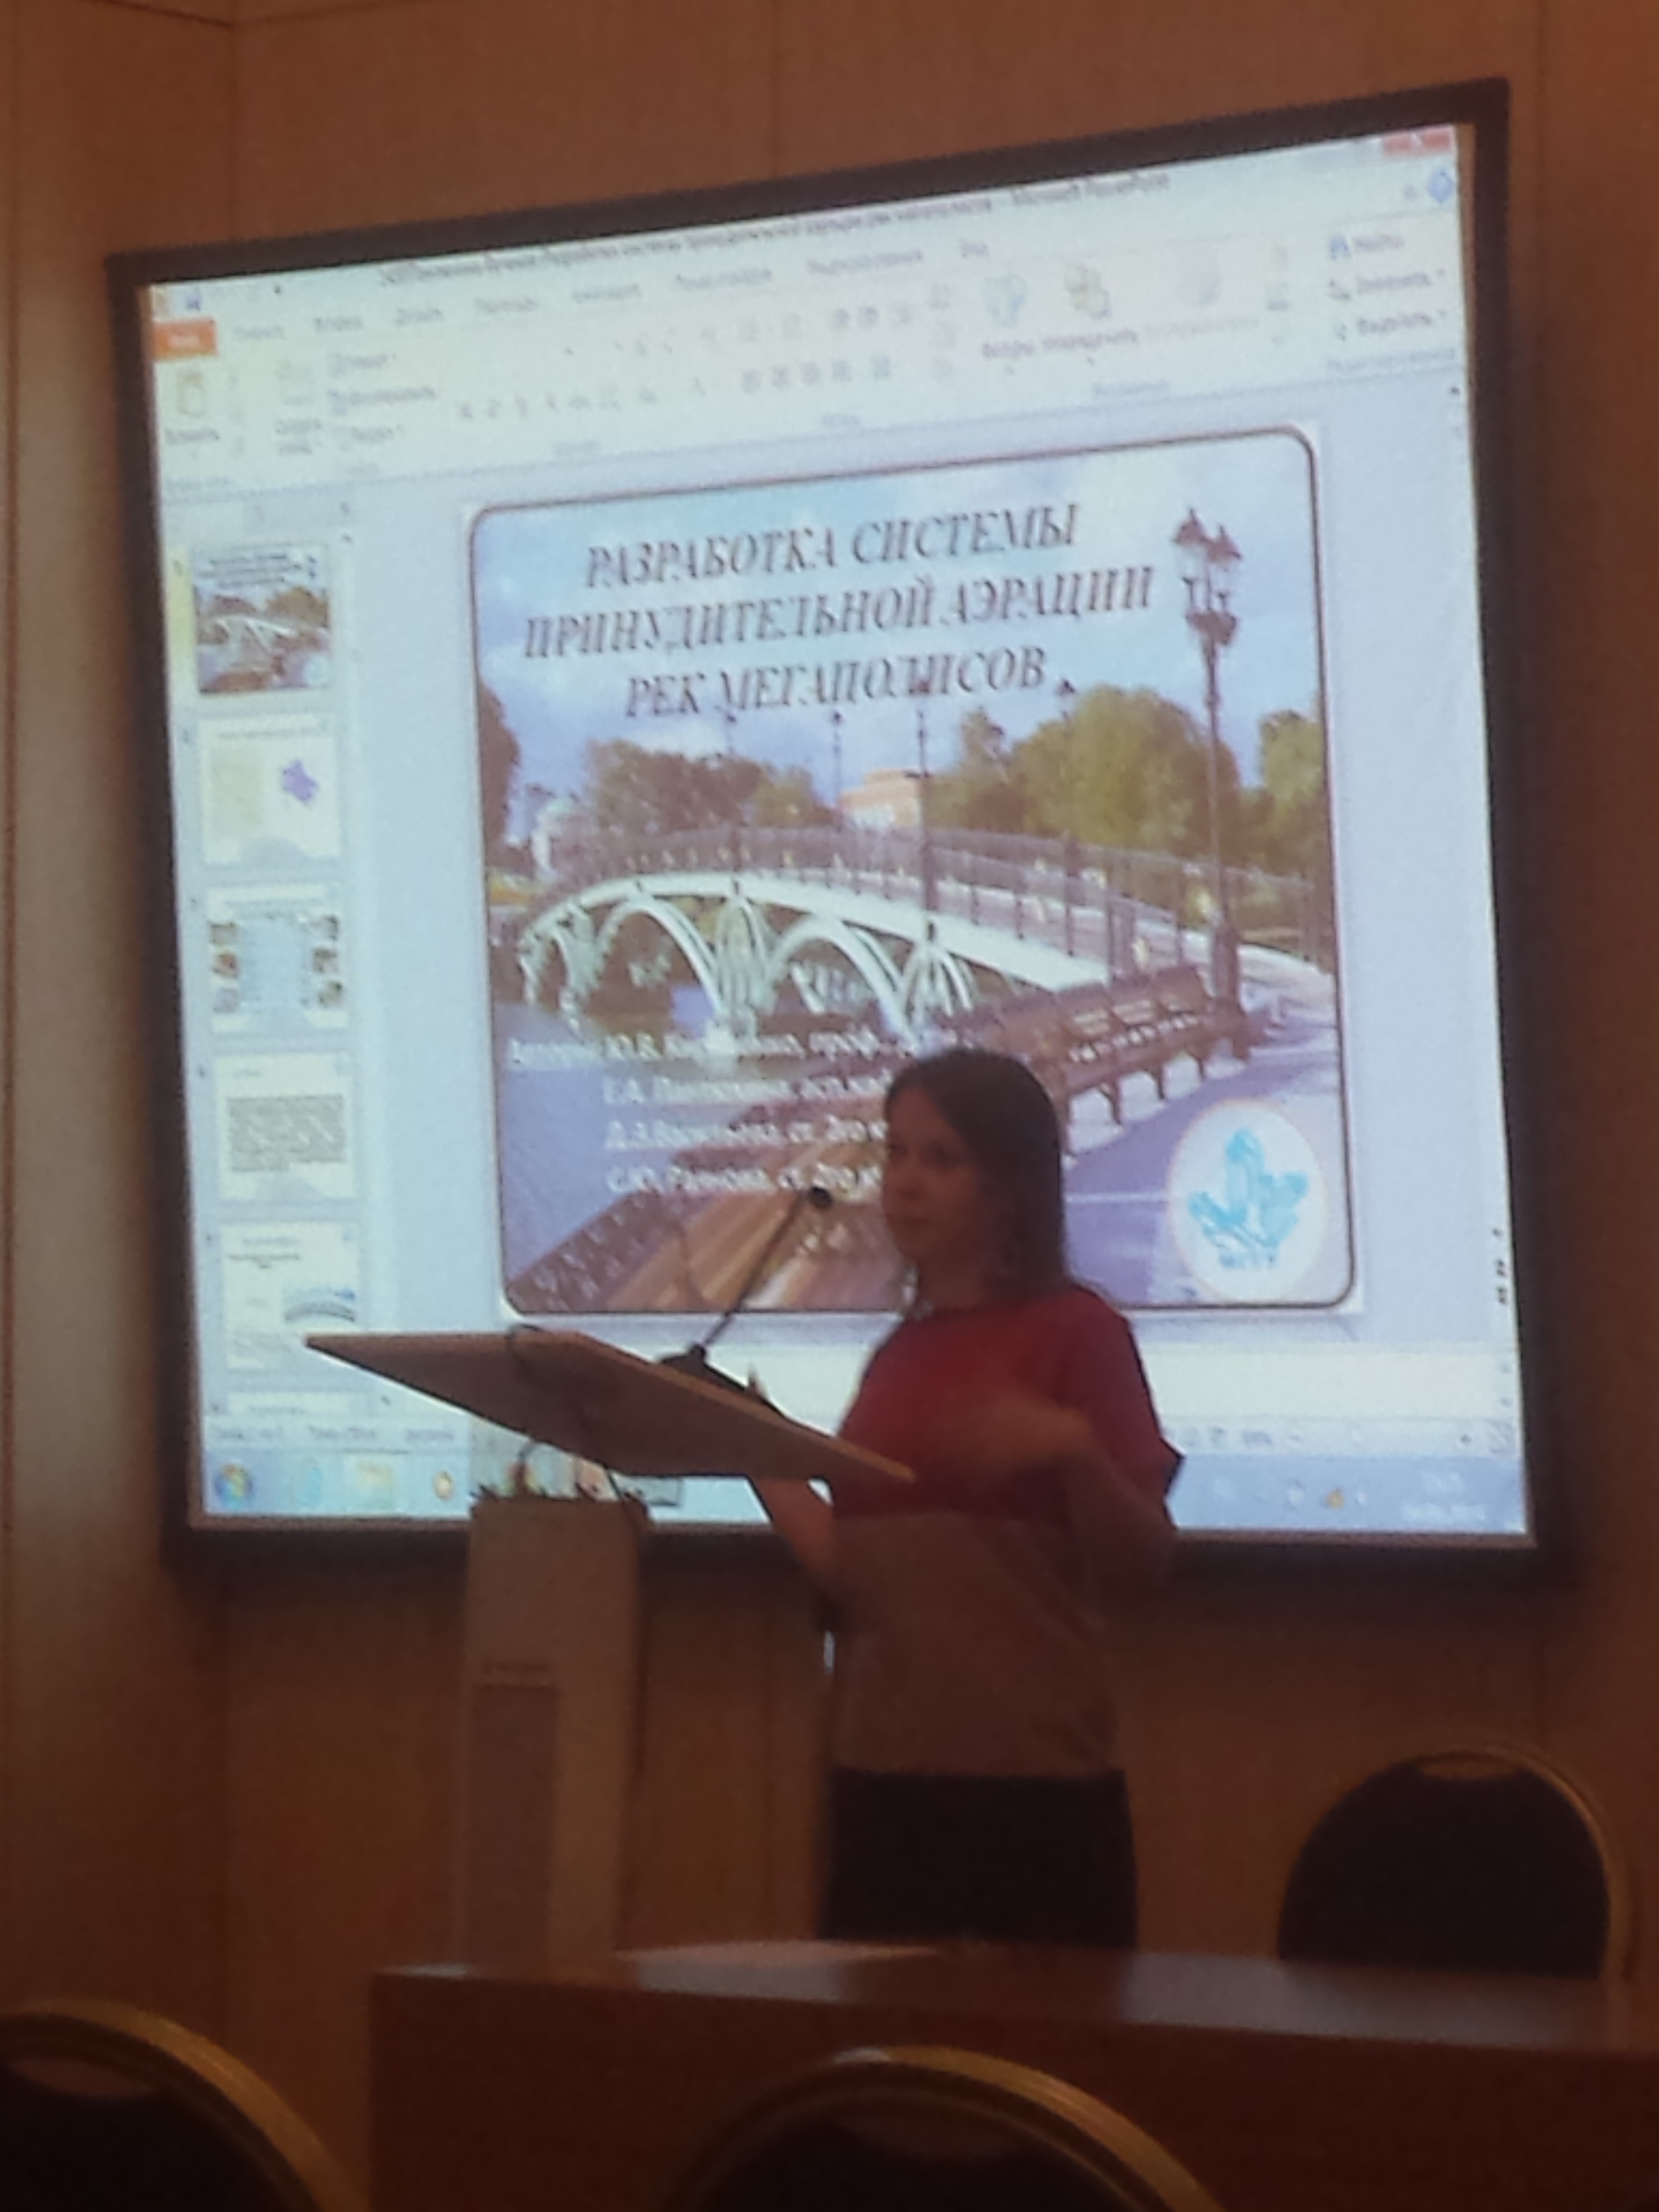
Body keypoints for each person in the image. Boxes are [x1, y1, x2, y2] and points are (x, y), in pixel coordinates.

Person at [756, 1047, 1179, 1947]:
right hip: (879, 1776)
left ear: (1008, 1187)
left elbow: (1144, 1567)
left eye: (941, 1159)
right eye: (895, 1153)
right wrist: (754, 1446)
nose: (904, 1183)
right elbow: (855, 1575)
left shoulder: (1081, 1330)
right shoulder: (895, 1357)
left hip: (1033, 1791)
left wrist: (1075, 1454)